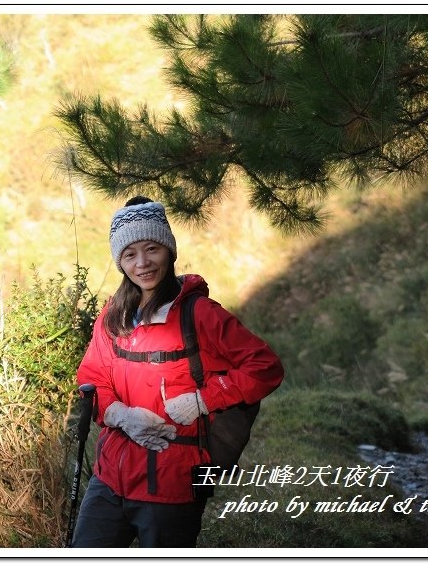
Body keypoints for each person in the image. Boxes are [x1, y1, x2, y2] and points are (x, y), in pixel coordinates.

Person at [71, 195, 284, 548]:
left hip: (176, 481)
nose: (142, 263)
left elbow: (265, 367)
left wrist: (204, 399)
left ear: (169, 250)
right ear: (120, 262)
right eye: (129, 254)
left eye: (152, 248)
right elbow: (92, 379)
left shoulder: (200, 313)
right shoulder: (114, 314)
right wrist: (120, 414)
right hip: (110, 476)